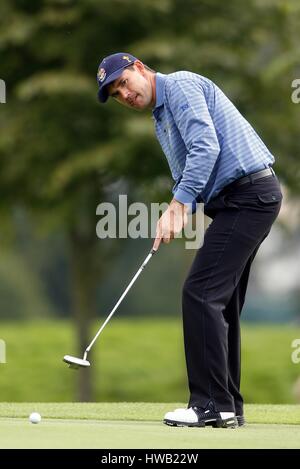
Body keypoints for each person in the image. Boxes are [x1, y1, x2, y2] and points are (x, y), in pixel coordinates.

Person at [96, 52, 282, 428]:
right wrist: (177, 209)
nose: (124, 95)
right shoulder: (160, 117)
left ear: (141, 69)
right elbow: (189, 172)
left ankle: (210, 403)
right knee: (221, 302)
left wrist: (178, 206)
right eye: (116, 94)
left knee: (199, 294)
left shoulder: (179, 86)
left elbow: (206, 147)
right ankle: (229, 405)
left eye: (124, 83)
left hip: (248, 197)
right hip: (240, 202)